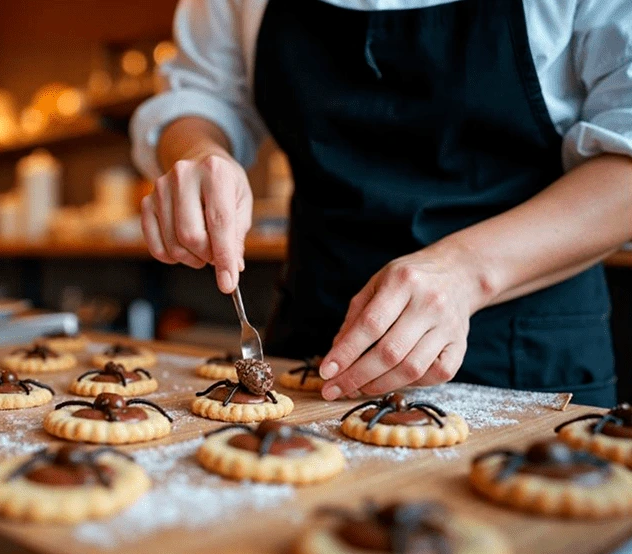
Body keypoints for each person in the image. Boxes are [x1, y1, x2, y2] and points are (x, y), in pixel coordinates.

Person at [131, 0, 632, 407]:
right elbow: (200, 95)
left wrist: (467, 270)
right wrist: (198, 151)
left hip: (529, 354)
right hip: (312, 340)